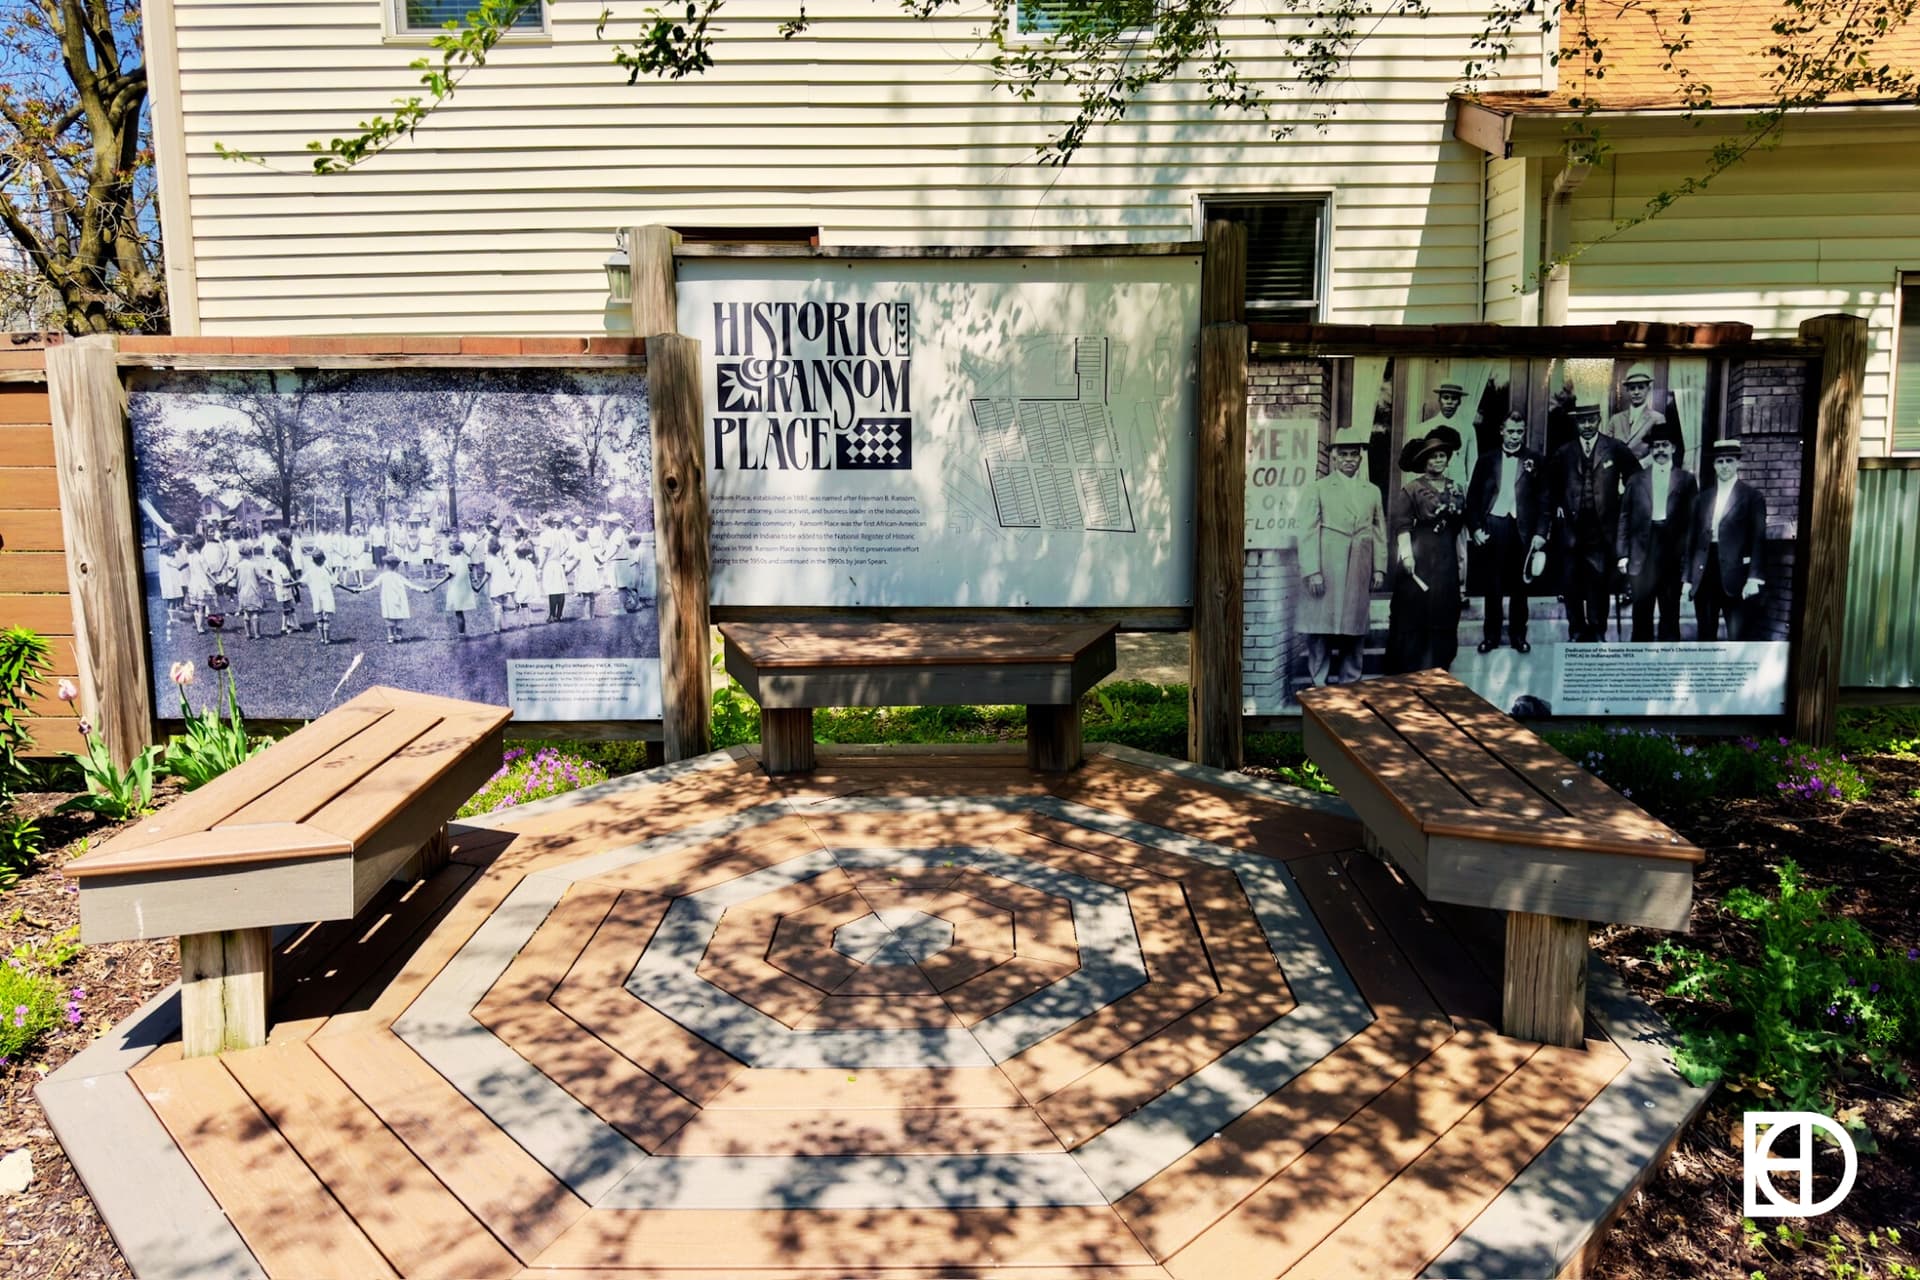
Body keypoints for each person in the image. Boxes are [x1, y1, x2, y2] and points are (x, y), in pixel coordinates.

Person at [1296, 425, 1387, 686]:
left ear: (1361, 457)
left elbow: (1379, 531)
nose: (1349, 460)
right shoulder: (1319, 488)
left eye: (1354, 454)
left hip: (1359, 566)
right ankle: (1320, 684)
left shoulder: (1371, 491)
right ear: (1334, 456)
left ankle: (1350, 682)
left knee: (1355, 628)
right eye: (1344, 454)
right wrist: (1312, 570)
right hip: (1328, 566)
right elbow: (1307, 530)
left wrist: (1379, 567)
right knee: (1320, 629)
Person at [1549, 406, 1641, 641]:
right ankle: (1576, 629)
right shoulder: (1564, 452)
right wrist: (1558, 504)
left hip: (1601, 529)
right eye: (1582, 422)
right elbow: (1550, 486)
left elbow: (1636, 478)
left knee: (1598, 581)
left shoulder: (1614, 447)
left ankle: (1598, 629)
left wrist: (1622, 504)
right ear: (1576, 423)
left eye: (1591, 420)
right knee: (1571, 582)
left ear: (1599, 420)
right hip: (1571, 527)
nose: (1587, 426)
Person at [1384, 426, 1468, 674]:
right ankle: (1412, 671)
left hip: (1446, 559)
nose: (1438, 460)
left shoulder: (1456, 488)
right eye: (1433, 456)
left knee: (1444, 610)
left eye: (1442, 455)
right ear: (1424, 461)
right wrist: (1407, 556)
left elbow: (1461, 526)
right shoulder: (1411, 489)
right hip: (1419, 557)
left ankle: (1439, 668)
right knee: (1415, 613)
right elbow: (1401, 525)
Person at [1466, 411, 1549, 654]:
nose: (1515, 437)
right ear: (1501, 431)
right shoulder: (1486, 460)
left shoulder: (1535, 459)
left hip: (1522, 529)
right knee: (1493, 586)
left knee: (1520, 588)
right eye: (1511, 431)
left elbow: (1545, 501)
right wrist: (1476, 529)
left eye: (1519, 432)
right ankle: (1490, 636)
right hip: (1494, 525)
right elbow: (1472, 501)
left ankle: (1518, 636)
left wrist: (1541, 532)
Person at [1616, 419, 1697, 642]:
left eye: (1664, 445)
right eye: (1656, 446)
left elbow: (1692, 524)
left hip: (1672, 552)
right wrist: (1622, 554)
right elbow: (1624, 518)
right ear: (1651, 450)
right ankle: (1640, 666)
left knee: (1670, 613)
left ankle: (1667, 665)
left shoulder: (1686, 480)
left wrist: (1687, 561)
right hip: (1643, 550)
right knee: (1641, 612)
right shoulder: (1636, 480)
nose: (1660, 450)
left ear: (1673, 448)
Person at [1687, 439, 1768, 641]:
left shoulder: (1752, 497)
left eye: (1729, 461)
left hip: (1736, 575)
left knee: (1737, 635)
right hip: (1705, 572)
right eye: (1720, 461)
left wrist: (1754, 578)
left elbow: (1758, 540)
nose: (1724, 466)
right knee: (1705, 633)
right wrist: (1687, 579)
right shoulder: (1703, 498)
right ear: (1714, 465)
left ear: (1738, 463)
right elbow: (1692, 541)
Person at [347, 554, 448, 644]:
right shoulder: (399, 577)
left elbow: (371, 586)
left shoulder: (383, 576)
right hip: (399, 600)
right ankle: (398, 636)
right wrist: (423, 589)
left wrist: (360, 590)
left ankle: (391, 636)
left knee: (389, 618)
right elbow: (411, 585)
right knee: (399, 619)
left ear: (387, 565)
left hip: (388, 600)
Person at [1419, 378, 1477, 493]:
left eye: (1454, 398)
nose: (1449, 402)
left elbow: (1473, 462)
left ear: (1459, 401)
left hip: (1458, 488)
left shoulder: (1468, 429)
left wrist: (1468, 487)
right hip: (1431, 488)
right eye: (1446, 397)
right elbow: (1420, 463)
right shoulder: (1425, 428)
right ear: (1439, 400)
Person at [1606, 363, 1668, 460]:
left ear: (1648, 389)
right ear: (1627, 390)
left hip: (1642, 472)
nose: (1636, 392)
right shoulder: (1615, 419)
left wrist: (1639, 466)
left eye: (1641, 387)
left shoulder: (1657, 418)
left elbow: (1660, 450)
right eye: (1632, 388)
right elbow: (1606, 449)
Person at [442, 536, 480, 636]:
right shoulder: (464, 559)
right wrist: (473, 587)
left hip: (456, 590)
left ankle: (461, 634)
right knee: (460, 613)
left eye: (450, 549)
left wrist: (434, 587)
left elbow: (448, 576)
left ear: (455, 551)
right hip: (463, 590)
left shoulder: (454, 560)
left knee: (458, 613)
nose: (449, 550)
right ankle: (462, 633)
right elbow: (468, 576)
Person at [301, 548, 340, 645]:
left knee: (319, 619)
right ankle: (327, 639)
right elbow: (335, 582)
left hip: (316, 598)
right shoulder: (325, 571)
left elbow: (301, 582)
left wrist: (290, 583)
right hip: (326, 598)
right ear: (323, 559)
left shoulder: (310, 572)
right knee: (326, 619)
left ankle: (322, 638)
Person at [233, 542, 267, 639]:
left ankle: (248, 634)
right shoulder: (254, 565)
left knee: (246, 613)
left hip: (242, 592)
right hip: (253, 591)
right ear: (250, 552)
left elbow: (232, 576)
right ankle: (257, 634)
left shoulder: (238, 566)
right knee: (255, 613)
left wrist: (222, 582)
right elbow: (261, 576)